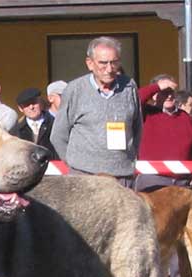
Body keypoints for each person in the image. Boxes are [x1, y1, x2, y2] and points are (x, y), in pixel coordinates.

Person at [50, 36, 142, 188]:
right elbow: (58, 136)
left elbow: (137, 128)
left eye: (114, 62)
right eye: (103, 63)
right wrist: (75, 164)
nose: (109, 68)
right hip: (84, 177)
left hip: (122, 177)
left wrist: (129, 159)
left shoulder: (129, 87)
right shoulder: (75, 90)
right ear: (90, 63)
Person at [136, 85, 192, 193]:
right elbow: (133, 99)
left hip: (182, 182)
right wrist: (157, 86)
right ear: (154, 95)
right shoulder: (146, 113)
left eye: (171, 92)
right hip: (153, 181)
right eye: (164, 92)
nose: (169, 96)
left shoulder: (184, 117)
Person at [12, 87, 58, 160]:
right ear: (20, 108)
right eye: (26, 105)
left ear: (40, 102)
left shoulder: (55, 124)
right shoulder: (17, 130)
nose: (31, 107)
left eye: (34, 102)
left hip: (53, 168)